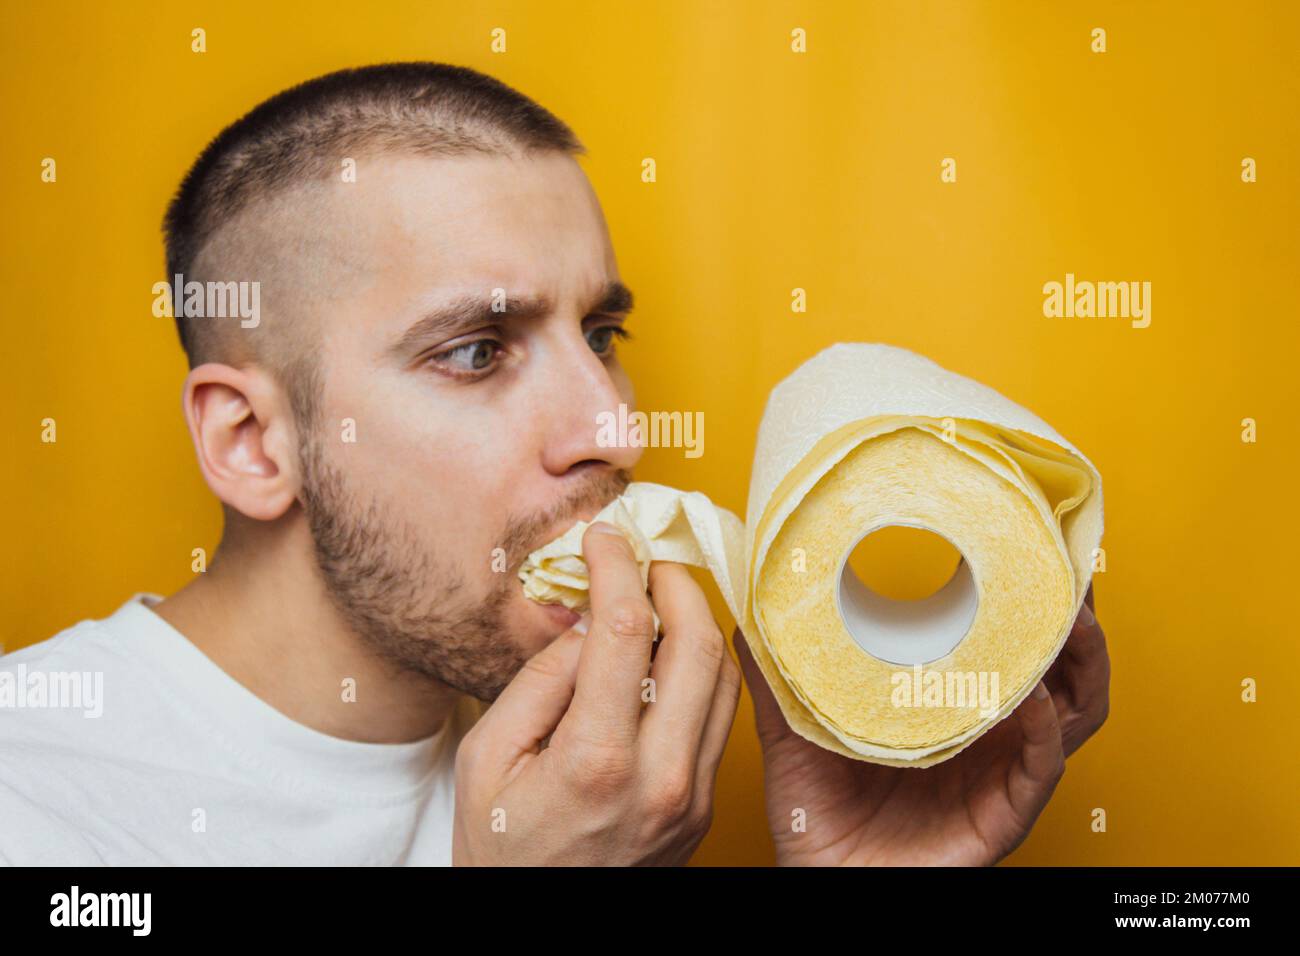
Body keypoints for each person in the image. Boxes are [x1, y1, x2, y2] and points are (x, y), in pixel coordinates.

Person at [0, 63, 1108, 866]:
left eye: (600, 336)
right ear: (253, 443)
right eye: (477, 351)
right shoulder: (35, 797)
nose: (617, 431)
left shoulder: (587, 792)